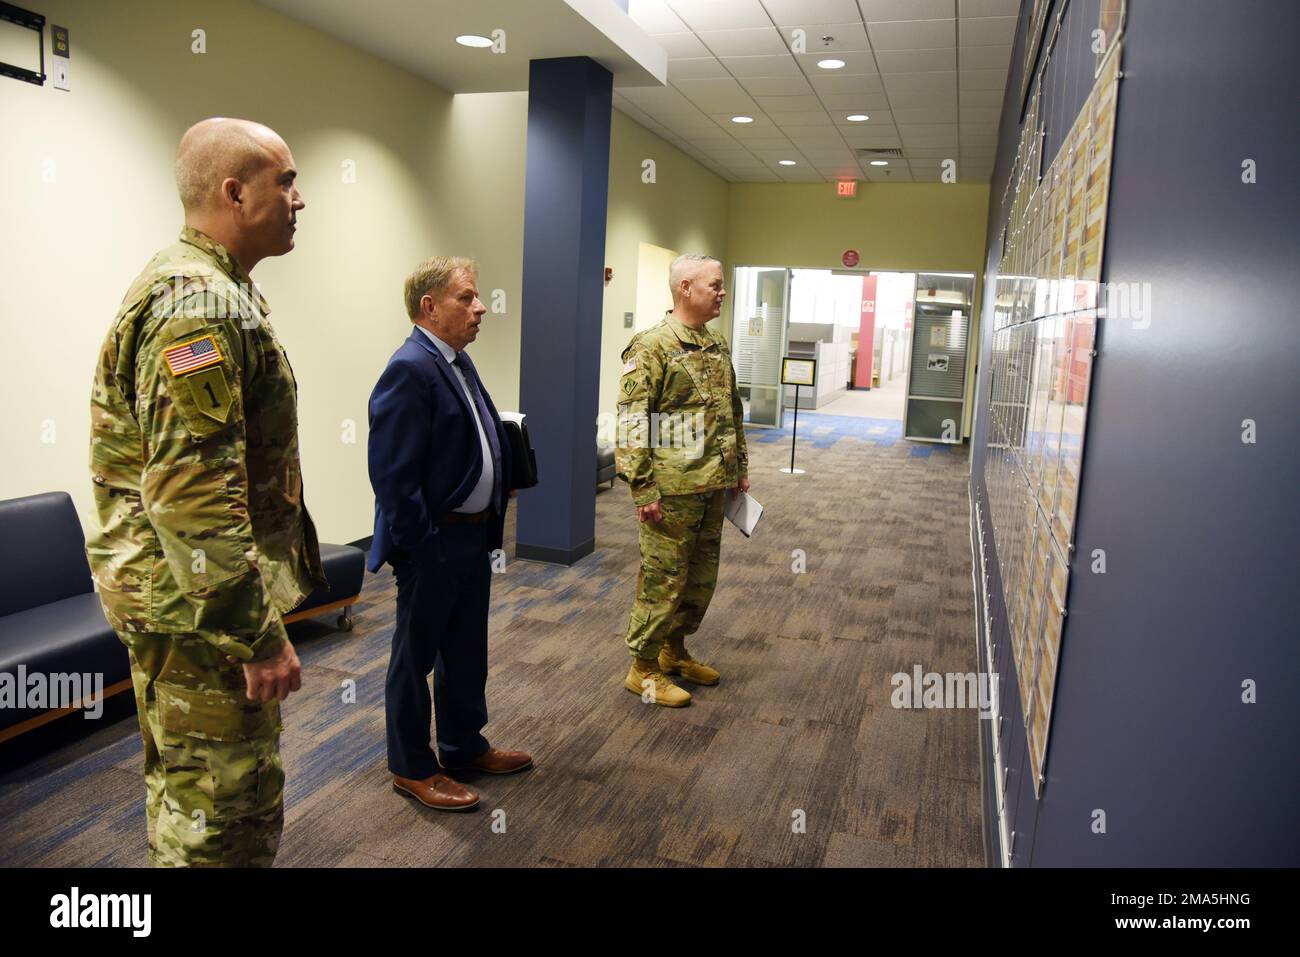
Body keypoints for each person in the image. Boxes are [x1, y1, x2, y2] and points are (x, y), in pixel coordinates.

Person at [86, 118, 324, 866]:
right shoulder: (197, 304)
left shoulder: (217, 289)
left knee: (192, 792)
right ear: (233, 191)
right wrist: (252, 630)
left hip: (183, 603)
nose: (299, 198)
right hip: (198, 612)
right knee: (221, 817)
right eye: (284, 181)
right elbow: (194, 495)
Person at [367, 256, 532, 812]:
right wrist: (423, 548)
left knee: (465, 650)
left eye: (477, 296)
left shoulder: (457, 361)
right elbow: (393, 477)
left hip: (470, 539)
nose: (481, 306)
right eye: (467, 297)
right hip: (432, 543)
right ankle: (412, 766)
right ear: (429, 307)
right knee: (414, 658)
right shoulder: (410, 367)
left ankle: (463, 745)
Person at [615, 253, 750, 707]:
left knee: (699, 580)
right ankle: (643, 668)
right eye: (715, 284)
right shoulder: (650, 346)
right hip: (671, 492)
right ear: (685, 288)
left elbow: (731, 411)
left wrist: (739, 468)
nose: (722, 293)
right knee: (663, 579)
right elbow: (633, 424)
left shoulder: (715, 343)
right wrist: (643, 487)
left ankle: (674, 653)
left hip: (712, 486)